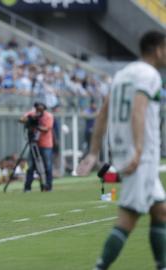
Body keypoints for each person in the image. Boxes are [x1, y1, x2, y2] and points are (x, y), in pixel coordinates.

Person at [77, 31, 166, 270]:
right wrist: (138, 149)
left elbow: (103, 112)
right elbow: (138, 109)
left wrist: (94, 152)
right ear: (158, 49)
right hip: (141, 156)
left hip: (123, 150)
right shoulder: (150, 75)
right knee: (128, 219)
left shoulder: (122, 74)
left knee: (160, 211)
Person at [19, 102, 54, 191]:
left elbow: (46, 129)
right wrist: (29, 119)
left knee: (47, 166)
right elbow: (21, 119)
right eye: (37, 109)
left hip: (46, 145)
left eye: (41, 110)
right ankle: (27, 187)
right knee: (30, 166)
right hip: (33, 144)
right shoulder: (32, 114)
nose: (39, 112)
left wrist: (36, 125)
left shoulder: (48, 116)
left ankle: (47, 186)